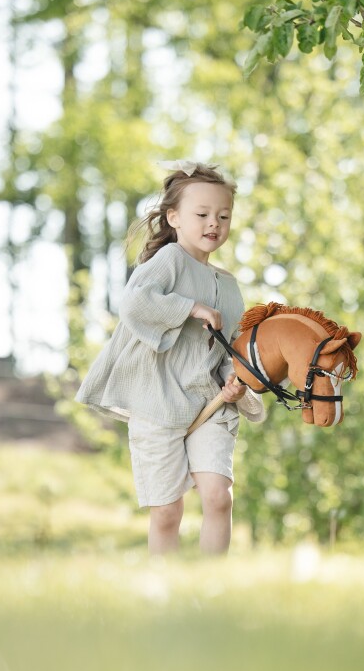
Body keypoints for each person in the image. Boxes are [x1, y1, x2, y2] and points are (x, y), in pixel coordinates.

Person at [75, 162, 265, 555]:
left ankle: (211, 590)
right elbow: (135, 301)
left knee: (218, 497)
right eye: (202, 214)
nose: (214, 223)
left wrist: (234, 380)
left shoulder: (228, 286)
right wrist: (191, 308)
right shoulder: (169, 260)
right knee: (167, 511)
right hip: (158, 403)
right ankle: (167, 591)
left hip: (209, 403)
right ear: (174, 217)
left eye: (223, 216)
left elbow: (229, 346)